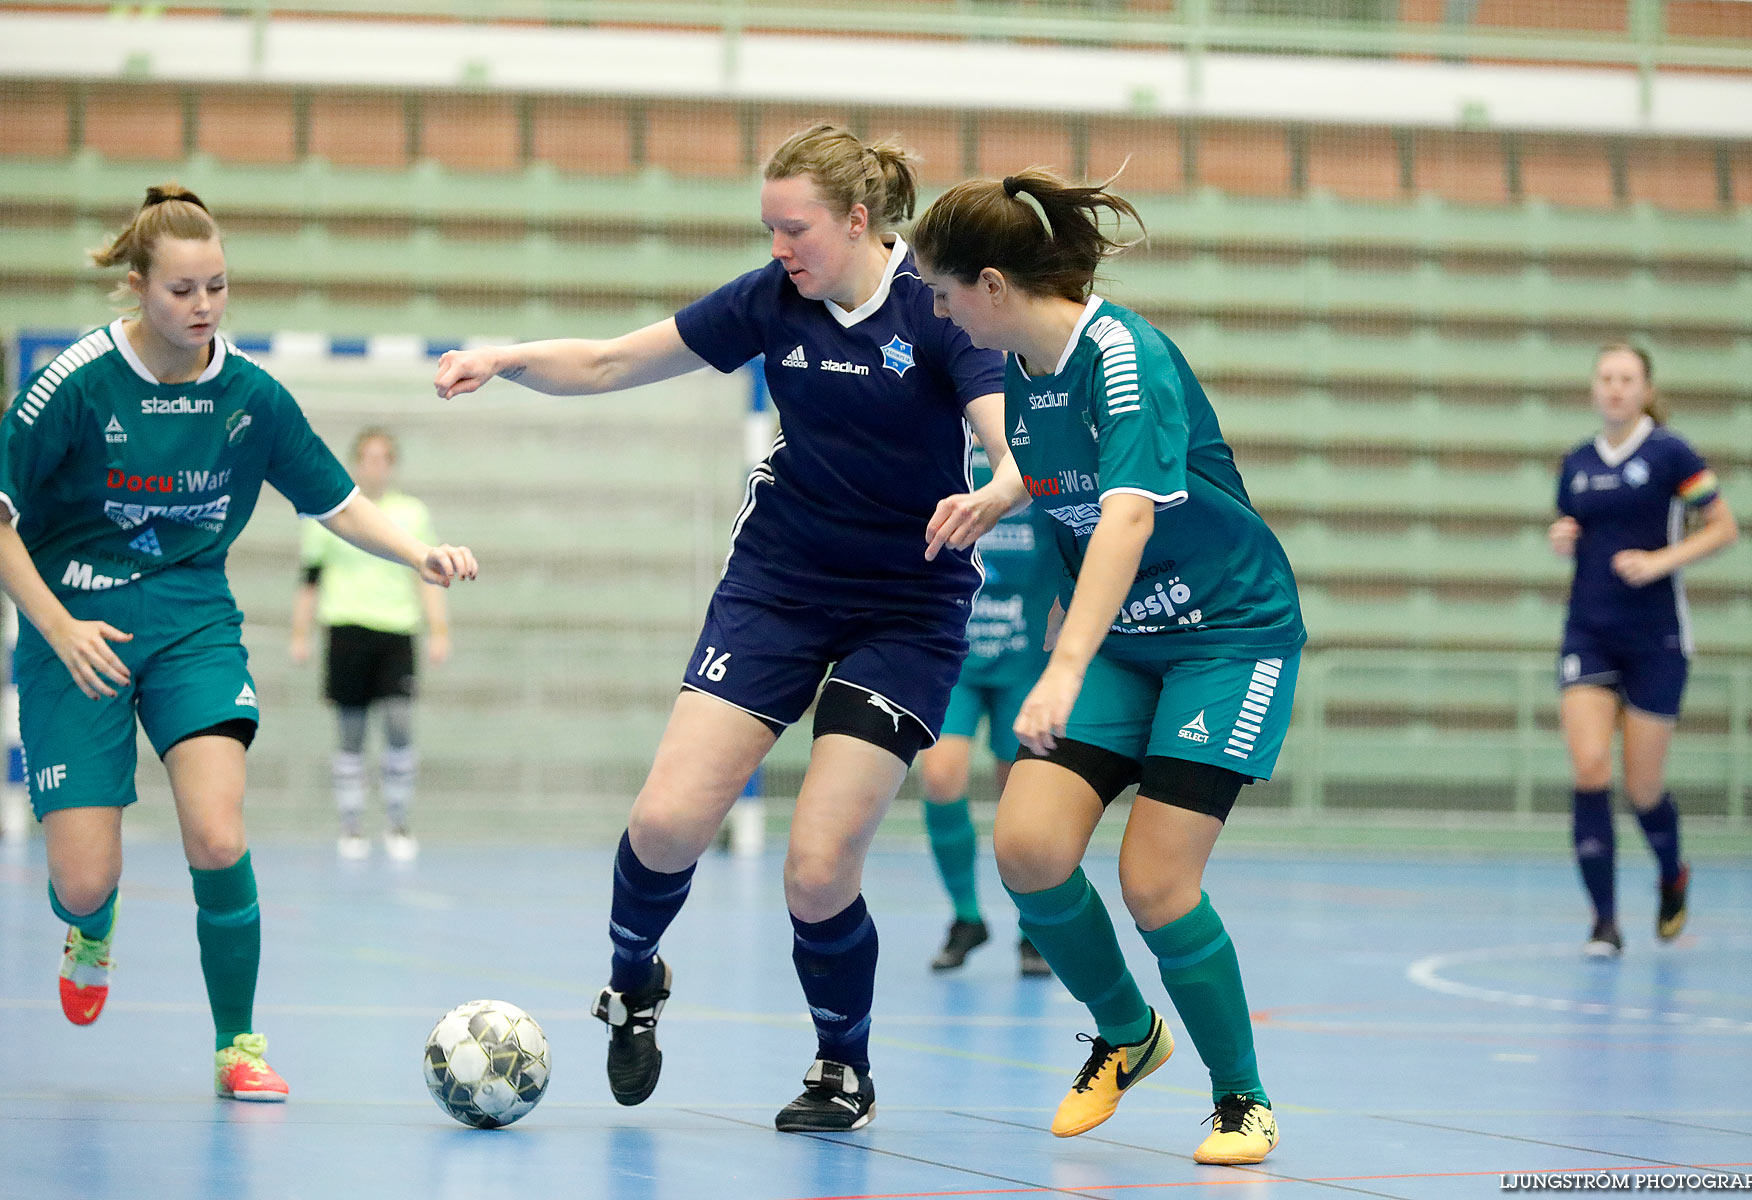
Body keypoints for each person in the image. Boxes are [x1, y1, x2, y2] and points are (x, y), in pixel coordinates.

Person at [433, 123, 1014, 1133]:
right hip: (779, 584)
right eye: (770, 228)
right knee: (665, 823)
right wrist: (508, 358)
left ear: (860, 220)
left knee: (819, 864)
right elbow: (614, 364)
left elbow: (1011, 444)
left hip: (907, 608)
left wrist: (996, 495)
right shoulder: (770, 300)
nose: (780, 247)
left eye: (796, 229)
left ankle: (842, 1066)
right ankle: (634, 983)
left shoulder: (937, 307)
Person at [0, 183, 477, 1101]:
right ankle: (90, 927)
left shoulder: (251, 396)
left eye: (217, 286)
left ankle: (237, 1044)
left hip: (193, 628)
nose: (204, 306)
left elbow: (334, 500)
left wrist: (418, 553)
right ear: (138, 286)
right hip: (77, 637)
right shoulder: (73, 383)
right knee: (85, 878)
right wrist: (54, 624)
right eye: (182, 290)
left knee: (217, 836)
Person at [912, 169, 1307, 1166]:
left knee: (1155, 883)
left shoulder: (1125, 357)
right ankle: (1129, 1035)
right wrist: (1001, 494)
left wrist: (1061, 663)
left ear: (992, 285)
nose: (939, 309)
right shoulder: (1028, 375)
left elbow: (1128, 509)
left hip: (1226, 637)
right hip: (1127, 641)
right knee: (1030, 851)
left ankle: (1242, 1098)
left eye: (944, 291)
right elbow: (1052, 464)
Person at [1549, 344, 1737, 958]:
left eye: (1627, 379)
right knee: (1589, 768)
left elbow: (1723, 527)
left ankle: (1671, 873)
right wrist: (1562, 535)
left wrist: (1659, 562)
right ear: (1593, 387)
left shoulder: (1671, 453)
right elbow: (1573, 527)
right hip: (1589, 631)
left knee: (1644, 788)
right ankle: (1604, 923)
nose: (1615, 388)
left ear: (1645, 387)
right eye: (1605, 377)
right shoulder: (1576, 463)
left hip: (1656, 638)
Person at [918, 440, 1055, 976]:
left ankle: (1033, 926)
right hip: (955, 654)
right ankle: (967, 917)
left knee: (1019, 802)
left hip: (1024, 660)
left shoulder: (1043, 463)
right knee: (940, 777)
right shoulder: (945, 453)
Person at [290, 427, 450, 862]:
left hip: (396, 631)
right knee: (350, 731)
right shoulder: (331, 513)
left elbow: (430, 577)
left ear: (392, 464)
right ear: (356, 462)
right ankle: (352, 825)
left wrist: (439, 630)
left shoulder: (411, 514)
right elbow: (310, 580)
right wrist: (300, 635)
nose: (375, 466)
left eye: (383, 458)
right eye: (367, 457)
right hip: (346, 629)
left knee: (398, 724)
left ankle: (398, 821)